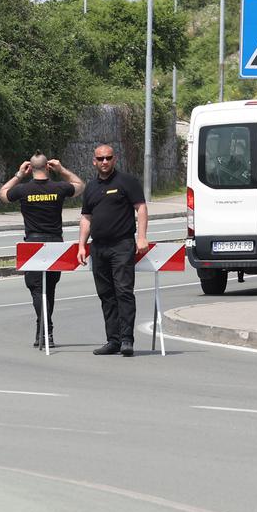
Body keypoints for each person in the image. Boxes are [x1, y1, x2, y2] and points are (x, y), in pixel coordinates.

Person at [0, 152, 84, 349]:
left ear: (31, 169)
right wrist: (62, 170)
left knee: (37, 290)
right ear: (47, 167)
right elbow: (80, 186)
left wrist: (19, 174)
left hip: (33, 244)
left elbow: (3, 194)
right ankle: (44, 329)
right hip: (55, 243)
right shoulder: (59, 187)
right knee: (50, 289)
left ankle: (46, 329)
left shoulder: (22, 189)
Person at [77, 144, 148, 357]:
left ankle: (127, 340)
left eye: (108, 158)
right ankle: (113, 340)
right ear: (94, 161)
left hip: (122, 245)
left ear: (114, 159)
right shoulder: (90, 187)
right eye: (100, 159)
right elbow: (86, 218)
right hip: (99, 247)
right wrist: (82, 245)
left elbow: (141, 207)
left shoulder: (127, 181)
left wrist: (141, 237)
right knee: (106, 295)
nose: (105, 162)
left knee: (124, 292)